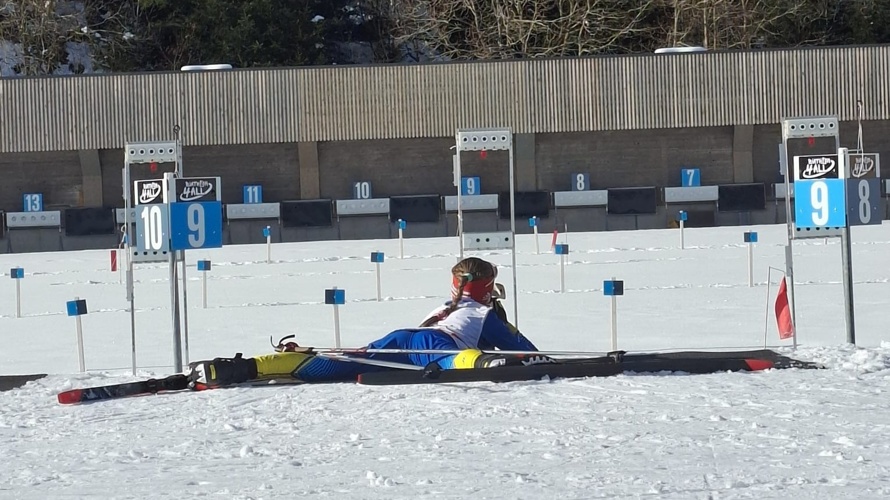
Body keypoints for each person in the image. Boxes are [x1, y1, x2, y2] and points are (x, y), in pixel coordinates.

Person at [187, 257, 551, 389]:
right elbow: (528, 353)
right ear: (487, 287)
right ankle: (484, 365)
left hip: (403, 338)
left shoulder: (442, 305)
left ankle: (243, 368)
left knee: (341, 361)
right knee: (455, 359)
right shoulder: (485, 313)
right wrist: (499, 356)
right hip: (434, 346)